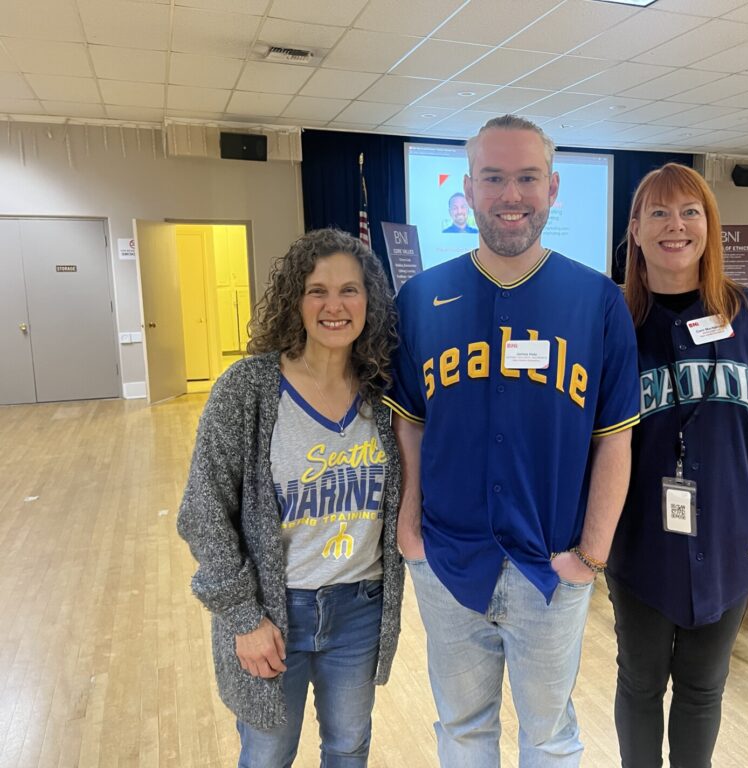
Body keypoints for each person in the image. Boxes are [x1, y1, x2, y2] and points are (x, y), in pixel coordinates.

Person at [384, 114, 639, 767]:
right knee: (463, 728)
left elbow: (615, 439)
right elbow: (408, 422)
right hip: (446, 557)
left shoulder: (598, 302)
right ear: (467, 189)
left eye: (527, 177)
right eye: (493, 178)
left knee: (549, 735)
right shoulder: (421, 297)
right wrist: (409, 529)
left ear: (553, 188)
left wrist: (592, 556)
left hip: (550, 567)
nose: (511, 195)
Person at [177, 228, 403, 768]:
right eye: (316, 290)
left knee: (348, 747)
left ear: (368, 301)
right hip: (276, 614)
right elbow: (203, 513)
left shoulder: (383, 391)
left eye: (350, 290)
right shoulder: (248, 388)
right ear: (294, 300)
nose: (334, 305)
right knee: (268, 754)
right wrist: (244, 619)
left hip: (360, 607)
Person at [607, 163, 748, 768]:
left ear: (710, 227)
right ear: (635, 230)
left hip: (730, 540)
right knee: (641, 683)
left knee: (703, 686)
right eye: (659, 213)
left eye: (691, 212)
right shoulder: (612, 322)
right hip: (638, 542)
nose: (676, 226)